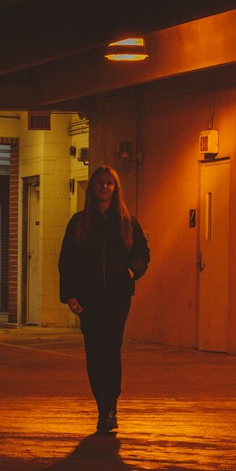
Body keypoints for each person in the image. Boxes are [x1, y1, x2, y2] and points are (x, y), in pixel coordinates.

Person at [58, 165, 150, 434]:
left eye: (110, 182)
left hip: (117, 297)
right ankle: (102, 403)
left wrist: (132, 271)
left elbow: (142, 252)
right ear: (93, 187)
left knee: (111, 348)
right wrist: (70, 294)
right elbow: (67, 260)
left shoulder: (126, 221)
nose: (105, 187)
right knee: (95, 351)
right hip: (89, 298)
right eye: (100, 182)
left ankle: (110, 408)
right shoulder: (80, 222)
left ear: (115, 187)